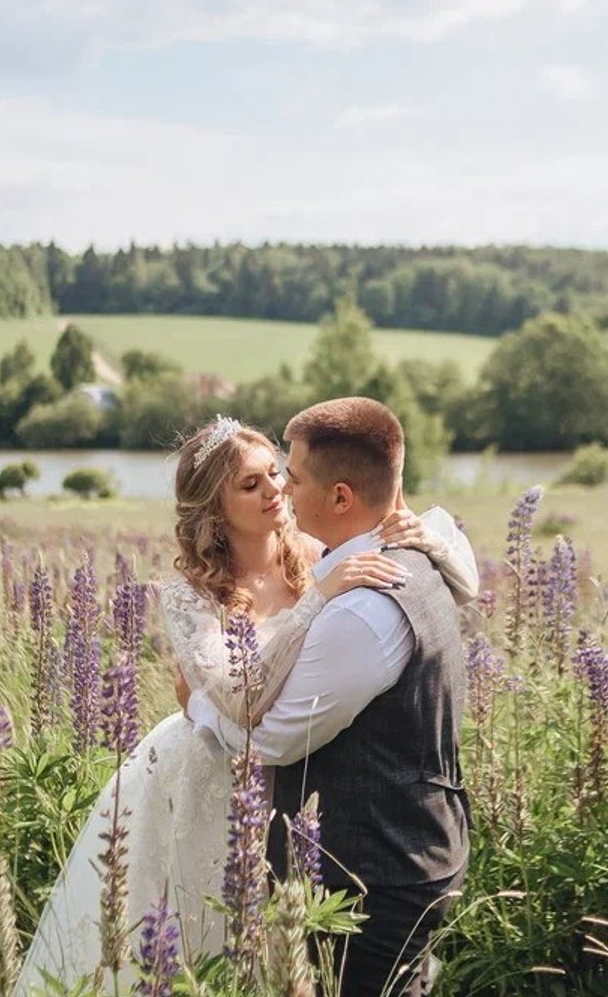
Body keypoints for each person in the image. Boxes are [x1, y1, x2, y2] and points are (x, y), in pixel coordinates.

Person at [13, 414, 476, 996]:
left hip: (289, 785)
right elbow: (240, 696)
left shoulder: (313, 548)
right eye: (249, 485)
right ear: (213, 508)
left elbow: (455, 574)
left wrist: (426, 538)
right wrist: (315, 602)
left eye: (276, 475)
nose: (275, 490)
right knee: (194, 932)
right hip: (207, 772)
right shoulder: (191, 595)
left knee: (277, 948)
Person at [188, 398, 470, 997]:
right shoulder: (408, 560)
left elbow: (274, 740)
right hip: (410, 847)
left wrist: (196, 704)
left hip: (376, 869)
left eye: (289, 476)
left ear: (341, 498)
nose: (281, 492)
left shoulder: (362, 608)